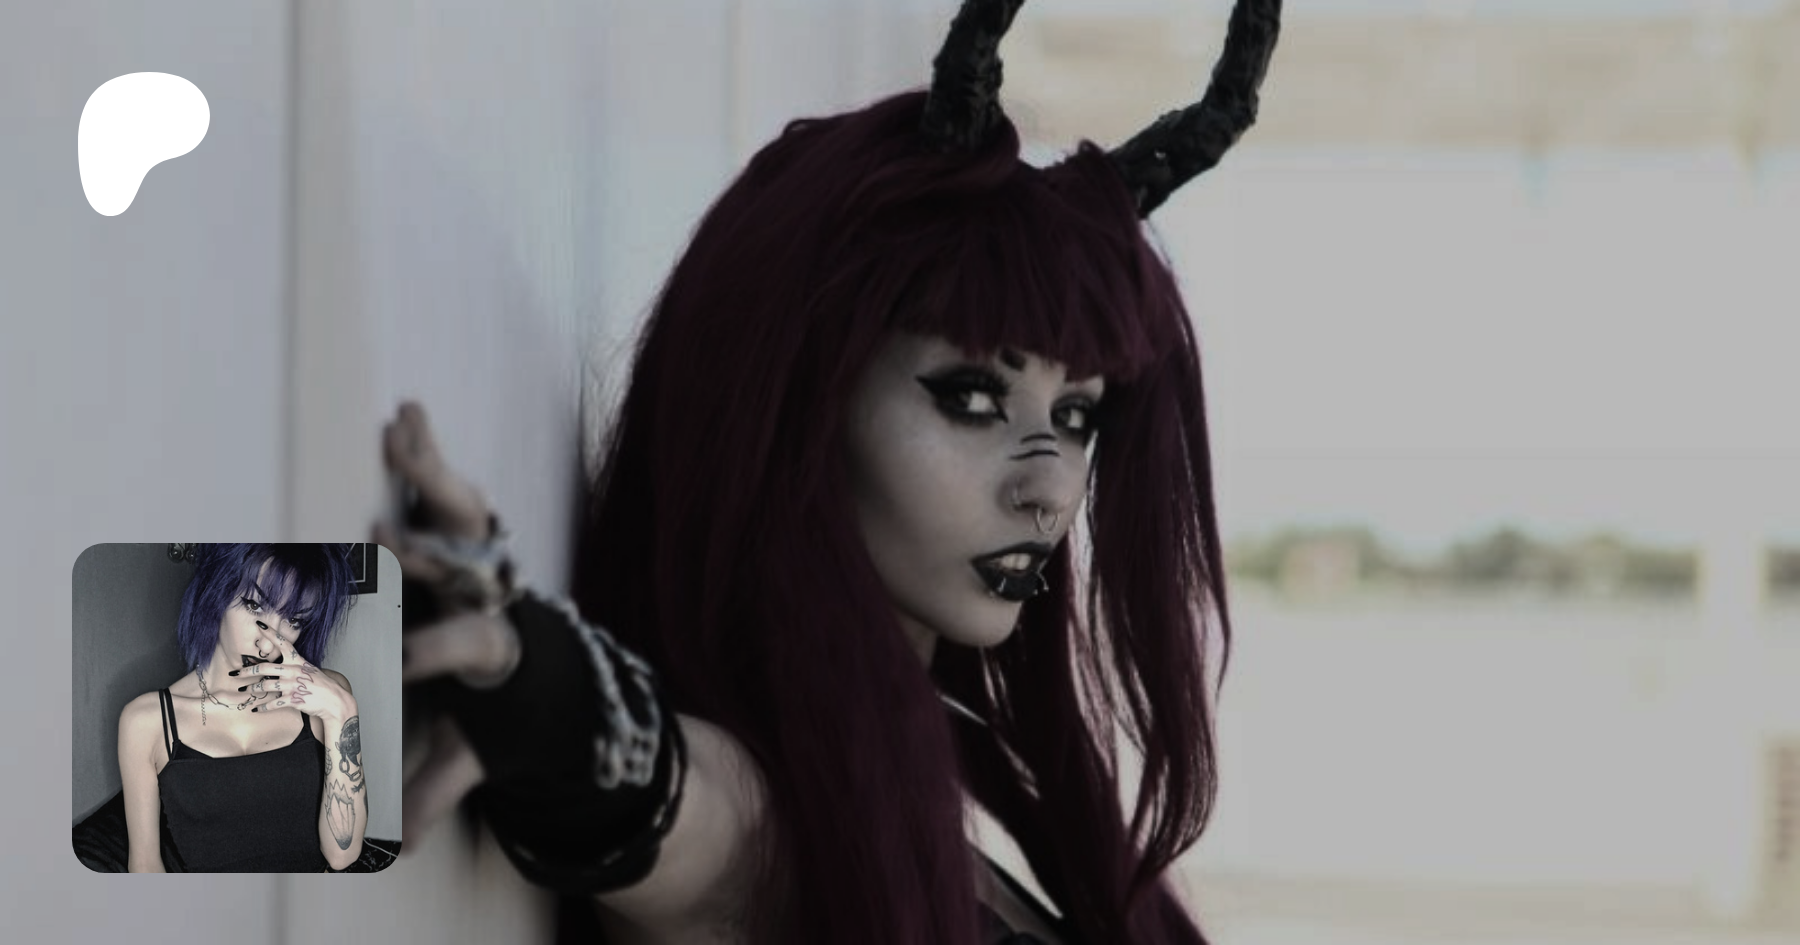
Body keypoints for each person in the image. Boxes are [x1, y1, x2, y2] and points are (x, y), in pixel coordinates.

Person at [385, 0, 1281, 940]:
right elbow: (660, 793)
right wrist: (529, 677)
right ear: (800, 398)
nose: (1051, 488)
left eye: (1075, 415)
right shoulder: (774, 825)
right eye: (972, 399)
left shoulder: (921, 806)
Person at [115, 543, 369, 872]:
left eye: (293, 620)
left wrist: (343, 711)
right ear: (216, 593)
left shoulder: (327, 697)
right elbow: (146, 865)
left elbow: (342, 855)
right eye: (254, 606)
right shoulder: (145, 721)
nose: (268, 643)